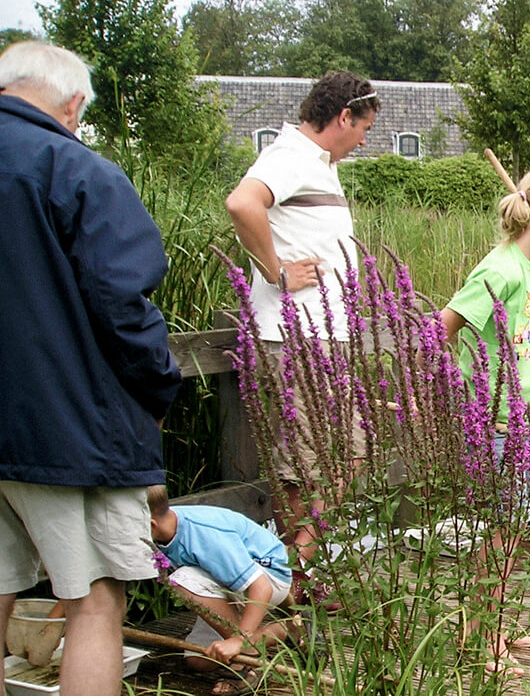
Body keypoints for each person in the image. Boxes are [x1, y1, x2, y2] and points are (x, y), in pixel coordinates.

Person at [0, 41, 183, 693]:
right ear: (73, 104)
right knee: (95, 602)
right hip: (66, 428)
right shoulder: (75, 169)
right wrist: (156, 390)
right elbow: (121, 304)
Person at [224, 70, 379, 604]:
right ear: (343, 117)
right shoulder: (289, 156)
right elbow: (242, 203)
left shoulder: (317, 166)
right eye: (365, 128)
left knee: (347, 456)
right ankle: (289, 577)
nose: (365, 140)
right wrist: (274, 271)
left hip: (325, 339)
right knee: (300, 468)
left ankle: (292, 570)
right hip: (297, 341)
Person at [442, 165, 530, 672]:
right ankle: (478, 637)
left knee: (513, 527)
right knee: (493, 533)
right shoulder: (498, 270)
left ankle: (495, 620)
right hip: (490, 425)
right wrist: (443, 395)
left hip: (524, 426)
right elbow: (444, 326)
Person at [147, 487, 294, 691]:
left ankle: (249, 655)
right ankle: (284, 631)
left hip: (268, 578)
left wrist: (240, 641)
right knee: (198, 660)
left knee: (179, 579)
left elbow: (260, 586)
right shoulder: (164, 526)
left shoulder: (204, 535)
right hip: (227, 580)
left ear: (151, 524)